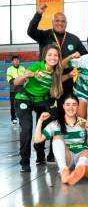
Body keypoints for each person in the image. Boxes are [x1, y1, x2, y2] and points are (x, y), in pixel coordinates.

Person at [14, 44, 63, 172]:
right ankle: (25, 161)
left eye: (55, 55)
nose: (53, 57)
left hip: (41, 100)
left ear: (58, 57)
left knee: (50, 124)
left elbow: (62, 78)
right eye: (50, 55)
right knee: (27, 128)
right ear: (45, 57)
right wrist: (25, 76)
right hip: (24, 98)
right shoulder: (37, 66)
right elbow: (16, 82)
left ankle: (40, 156)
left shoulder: (56, 72)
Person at [33, 94, 88, 185]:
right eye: (68, 104)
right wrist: (40, 121)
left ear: (78, 106)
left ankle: (79, 171)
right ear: (63, 106)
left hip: (81, 154)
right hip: (67, 157)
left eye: (74, 104)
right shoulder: (56, 124)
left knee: (87, 151)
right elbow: (37, 140)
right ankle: (64, 171)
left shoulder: (82, 122)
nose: (71, 107)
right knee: (57, 137)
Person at [27, 4, 88, 94]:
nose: (60, 23)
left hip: (67, 79)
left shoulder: (74, 38)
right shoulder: (44, 35)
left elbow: (85, 56)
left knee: (68, 106)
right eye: (57, 21)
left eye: (63, 21)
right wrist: (38, 14)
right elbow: (30, 31)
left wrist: (78, 59)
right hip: (47, 78)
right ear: (52, 22)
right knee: (48, 107)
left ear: (66, 24)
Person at [6, 55, 26, 125]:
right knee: (13, 104)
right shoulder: (9, 69)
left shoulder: (23, 68)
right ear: (12, 61)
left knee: (22, 104)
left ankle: (22, 118)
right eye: (14, 60)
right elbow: (10, 80)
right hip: (13, 89)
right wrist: (18, 80)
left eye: (17, 59)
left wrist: (21, 80)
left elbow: (25, 79)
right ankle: (14, 118)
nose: (16, 61)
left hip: (21, 88)